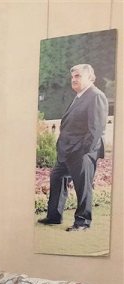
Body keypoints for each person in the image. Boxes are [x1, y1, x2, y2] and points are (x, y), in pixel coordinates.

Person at [39, 64, 109, 232]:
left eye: (78, 76)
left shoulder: (96, 96)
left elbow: (96, 129)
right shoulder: (79, 96)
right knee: (57, 178)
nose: (73, 79)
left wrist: (82, 152)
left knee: (83, 187)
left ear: (90, 77)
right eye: (72, 77)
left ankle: (82, 222)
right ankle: (54, 217)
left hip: (82, 153)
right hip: (66, 151)